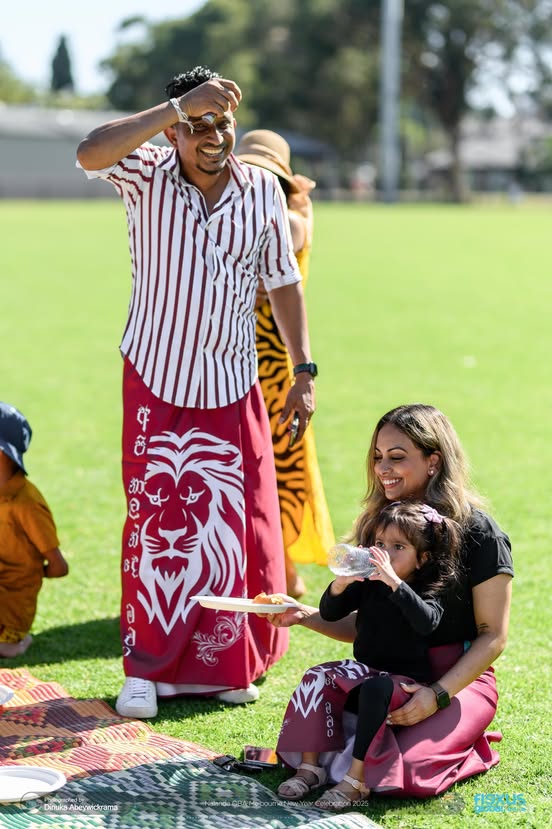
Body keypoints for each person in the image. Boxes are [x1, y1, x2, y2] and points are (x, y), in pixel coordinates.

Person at [76, 66, 317, 718]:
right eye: (198, 124)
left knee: (228, 530)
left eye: (223, 123)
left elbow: (283, 280)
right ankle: (145, 670)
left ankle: (224, 667)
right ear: (175, 129)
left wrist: (304, 369)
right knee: (155, 525)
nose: (214, 137)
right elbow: (90, 153)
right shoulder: (145, 174)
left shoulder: (262, 191)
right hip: (156, 378)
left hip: (233, 383)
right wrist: (175, 107)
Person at [268, 403, 513, 798]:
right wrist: (304, 615)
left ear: (433, 462)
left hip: (457, 678)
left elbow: (493, 636)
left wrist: (437, 695)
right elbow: (372, 623)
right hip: (384, 674)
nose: (383, 468)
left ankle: (466, 741)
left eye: (397, 457)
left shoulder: (480, 532)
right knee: (335, 744)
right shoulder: (381, 526)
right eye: (378, 456)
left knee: (401, 774)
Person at [277, 500, 462, 810]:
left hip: (405, 682)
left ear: (422, 559)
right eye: (380, 544)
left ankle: (355, 781)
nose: (384, 554)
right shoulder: (368, 583)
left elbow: (426, 622)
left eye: (398, 547)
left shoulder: (430, 587)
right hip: (367, 671)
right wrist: (341, 584)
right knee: (318, 675)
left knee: (376, 688)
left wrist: (394, 582)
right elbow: (330, 612)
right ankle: (310, 768)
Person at [235, 130, 335, 598]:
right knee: (250, 472)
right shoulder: (282, 215)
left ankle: (282, 572)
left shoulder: (288, 222)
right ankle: (266, 571)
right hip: (242, 364)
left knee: (275, 473)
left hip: (276, 372)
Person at [0, 402, 69, 657]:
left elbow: (59, 566)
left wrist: (28, 576)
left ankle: (19, 643)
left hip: (12, 606)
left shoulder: (27, 504)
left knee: (4, 648)